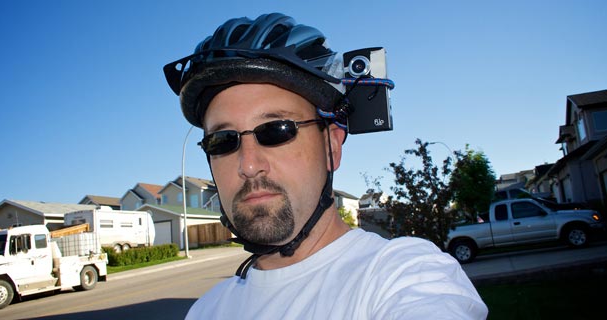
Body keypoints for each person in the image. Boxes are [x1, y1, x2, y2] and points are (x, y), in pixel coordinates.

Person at [164, 12, 488, 320]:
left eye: (277, 130)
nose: (248, 164)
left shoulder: (404, 274)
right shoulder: (206, 310)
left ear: (331, 146)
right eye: (223, 140)